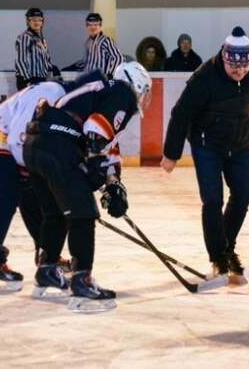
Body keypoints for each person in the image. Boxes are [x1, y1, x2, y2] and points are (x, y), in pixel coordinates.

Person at [23, 62, 152, 311]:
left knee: (56, 214)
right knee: (83, 212)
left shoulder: (101, 91)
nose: (144, 96)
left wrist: (112, 182)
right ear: (136, 83)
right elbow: (95, 132)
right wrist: (97, 172)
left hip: (35, 145)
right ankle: (81, 282)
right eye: (144, 89)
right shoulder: (122, 92)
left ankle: (46, 270)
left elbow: (105, 144)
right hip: (59, 145)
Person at [160, 26, 249, 277]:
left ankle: (227, 249)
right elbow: (181, 113)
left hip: (238, 144)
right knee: (213, 200)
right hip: (208, 144)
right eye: (233, 68)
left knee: (243, 196)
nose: (239, 72)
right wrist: (171, 153)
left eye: (244, 68)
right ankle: (218, 257)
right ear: (224, 59)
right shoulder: (205, 76)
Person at [0, 82, 66, 292]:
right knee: (6, 199)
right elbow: (17, 138)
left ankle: (46, 253)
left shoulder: (59, 98)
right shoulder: (50, 95)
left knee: (31, 197)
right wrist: (31, 171)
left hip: (6, 140)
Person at [14, 7, 61, 90]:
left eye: (39, 20)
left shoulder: (41, 40)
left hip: (40, 79)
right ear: (28, 22)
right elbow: (20, 60)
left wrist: (53, 68)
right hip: (29, 80)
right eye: (33, 20)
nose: (37, 22)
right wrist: (27, 79)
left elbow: (45, 60)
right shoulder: (25, 37)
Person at [83, 12, 123, 78]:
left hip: (101, 81)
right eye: (90, 25)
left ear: (100, 26)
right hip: (90, 80)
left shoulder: (105, 40)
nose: (92, 27)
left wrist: (110, 74)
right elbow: (87, 62)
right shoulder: (88, 42)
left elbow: (118, 58)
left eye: (95, 25)